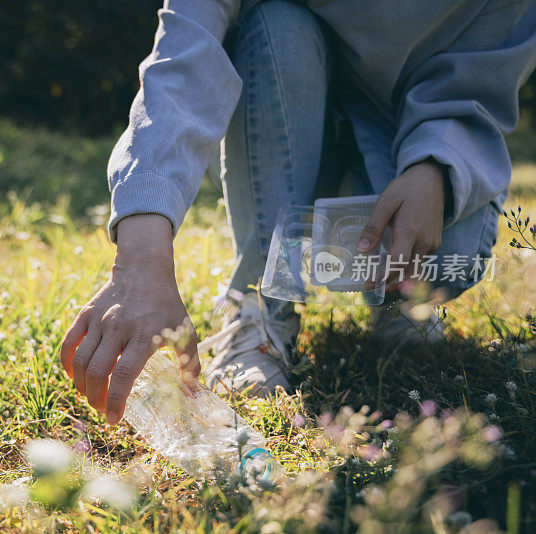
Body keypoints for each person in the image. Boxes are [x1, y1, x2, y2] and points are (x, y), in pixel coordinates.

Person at [60, 0, 536, 425]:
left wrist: (436, 168)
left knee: (445, 256)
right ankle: (261, 308)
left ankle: (398, 300)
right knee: (276, 19)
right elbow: (185, 58)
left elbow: (485, 68)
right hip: (292, 105)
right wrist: (141, 258)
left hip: (419, 129)